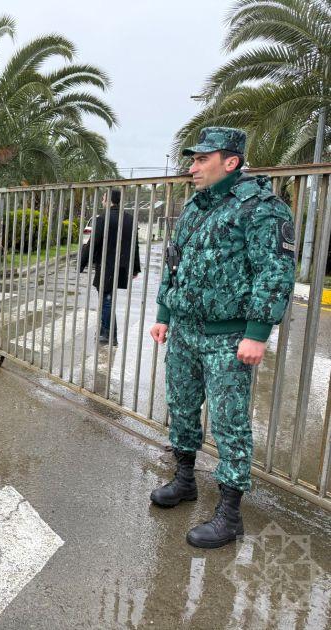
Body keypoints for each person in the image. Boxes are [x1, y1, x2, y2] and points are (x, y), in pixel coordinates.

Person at [149, 127, 295, 548]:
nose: (192, 168)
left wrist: (257, 333)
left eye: (201, 159)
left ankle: (230, 514)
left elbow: (275, 272)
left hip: (228, 336)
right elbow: (175, 262)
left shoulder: (262, 208)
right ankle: (184, 479)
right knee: (181, 406)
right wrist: (164, 313)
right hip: (185, 331)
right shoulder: (195, 206)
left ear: (230, 162)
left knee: (230, 422)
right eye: (193, 160)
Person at [79, 188, 141, 344]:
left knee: (106, 299)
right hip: (122, 266)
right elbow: (135, 245)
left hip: (107, 266)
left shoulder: (103, 218)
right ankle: (106, 332)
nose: (102, 201)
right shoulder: (130, 219)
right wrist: (135, 268)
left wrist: (81, 263)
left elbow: (93, 243)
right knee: (107, 298)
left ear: (109, 200)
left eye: (103, 198)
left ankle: (108, 334)